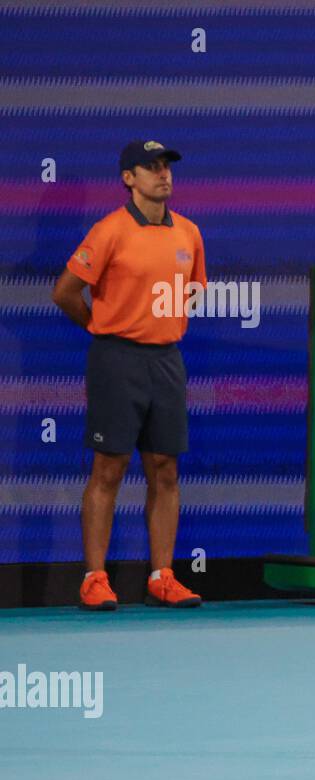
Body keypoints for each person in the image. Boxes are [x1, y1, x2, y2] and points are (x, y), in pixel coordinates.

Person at [51, 140, 205, 610]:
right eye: (152, 168)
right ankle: (94, 578)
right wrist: (103, 326)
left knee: (165, 469)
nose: (164, 175)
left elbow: (193, 291)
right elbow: (65, 292)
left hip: (166, 361)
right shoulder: (110, 231)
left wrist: (160, 324)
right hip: (115, 361)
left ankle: (162, 576)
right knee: (109, 468)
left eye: (167, 167)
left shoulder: (189, 234)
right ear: (128, 178)